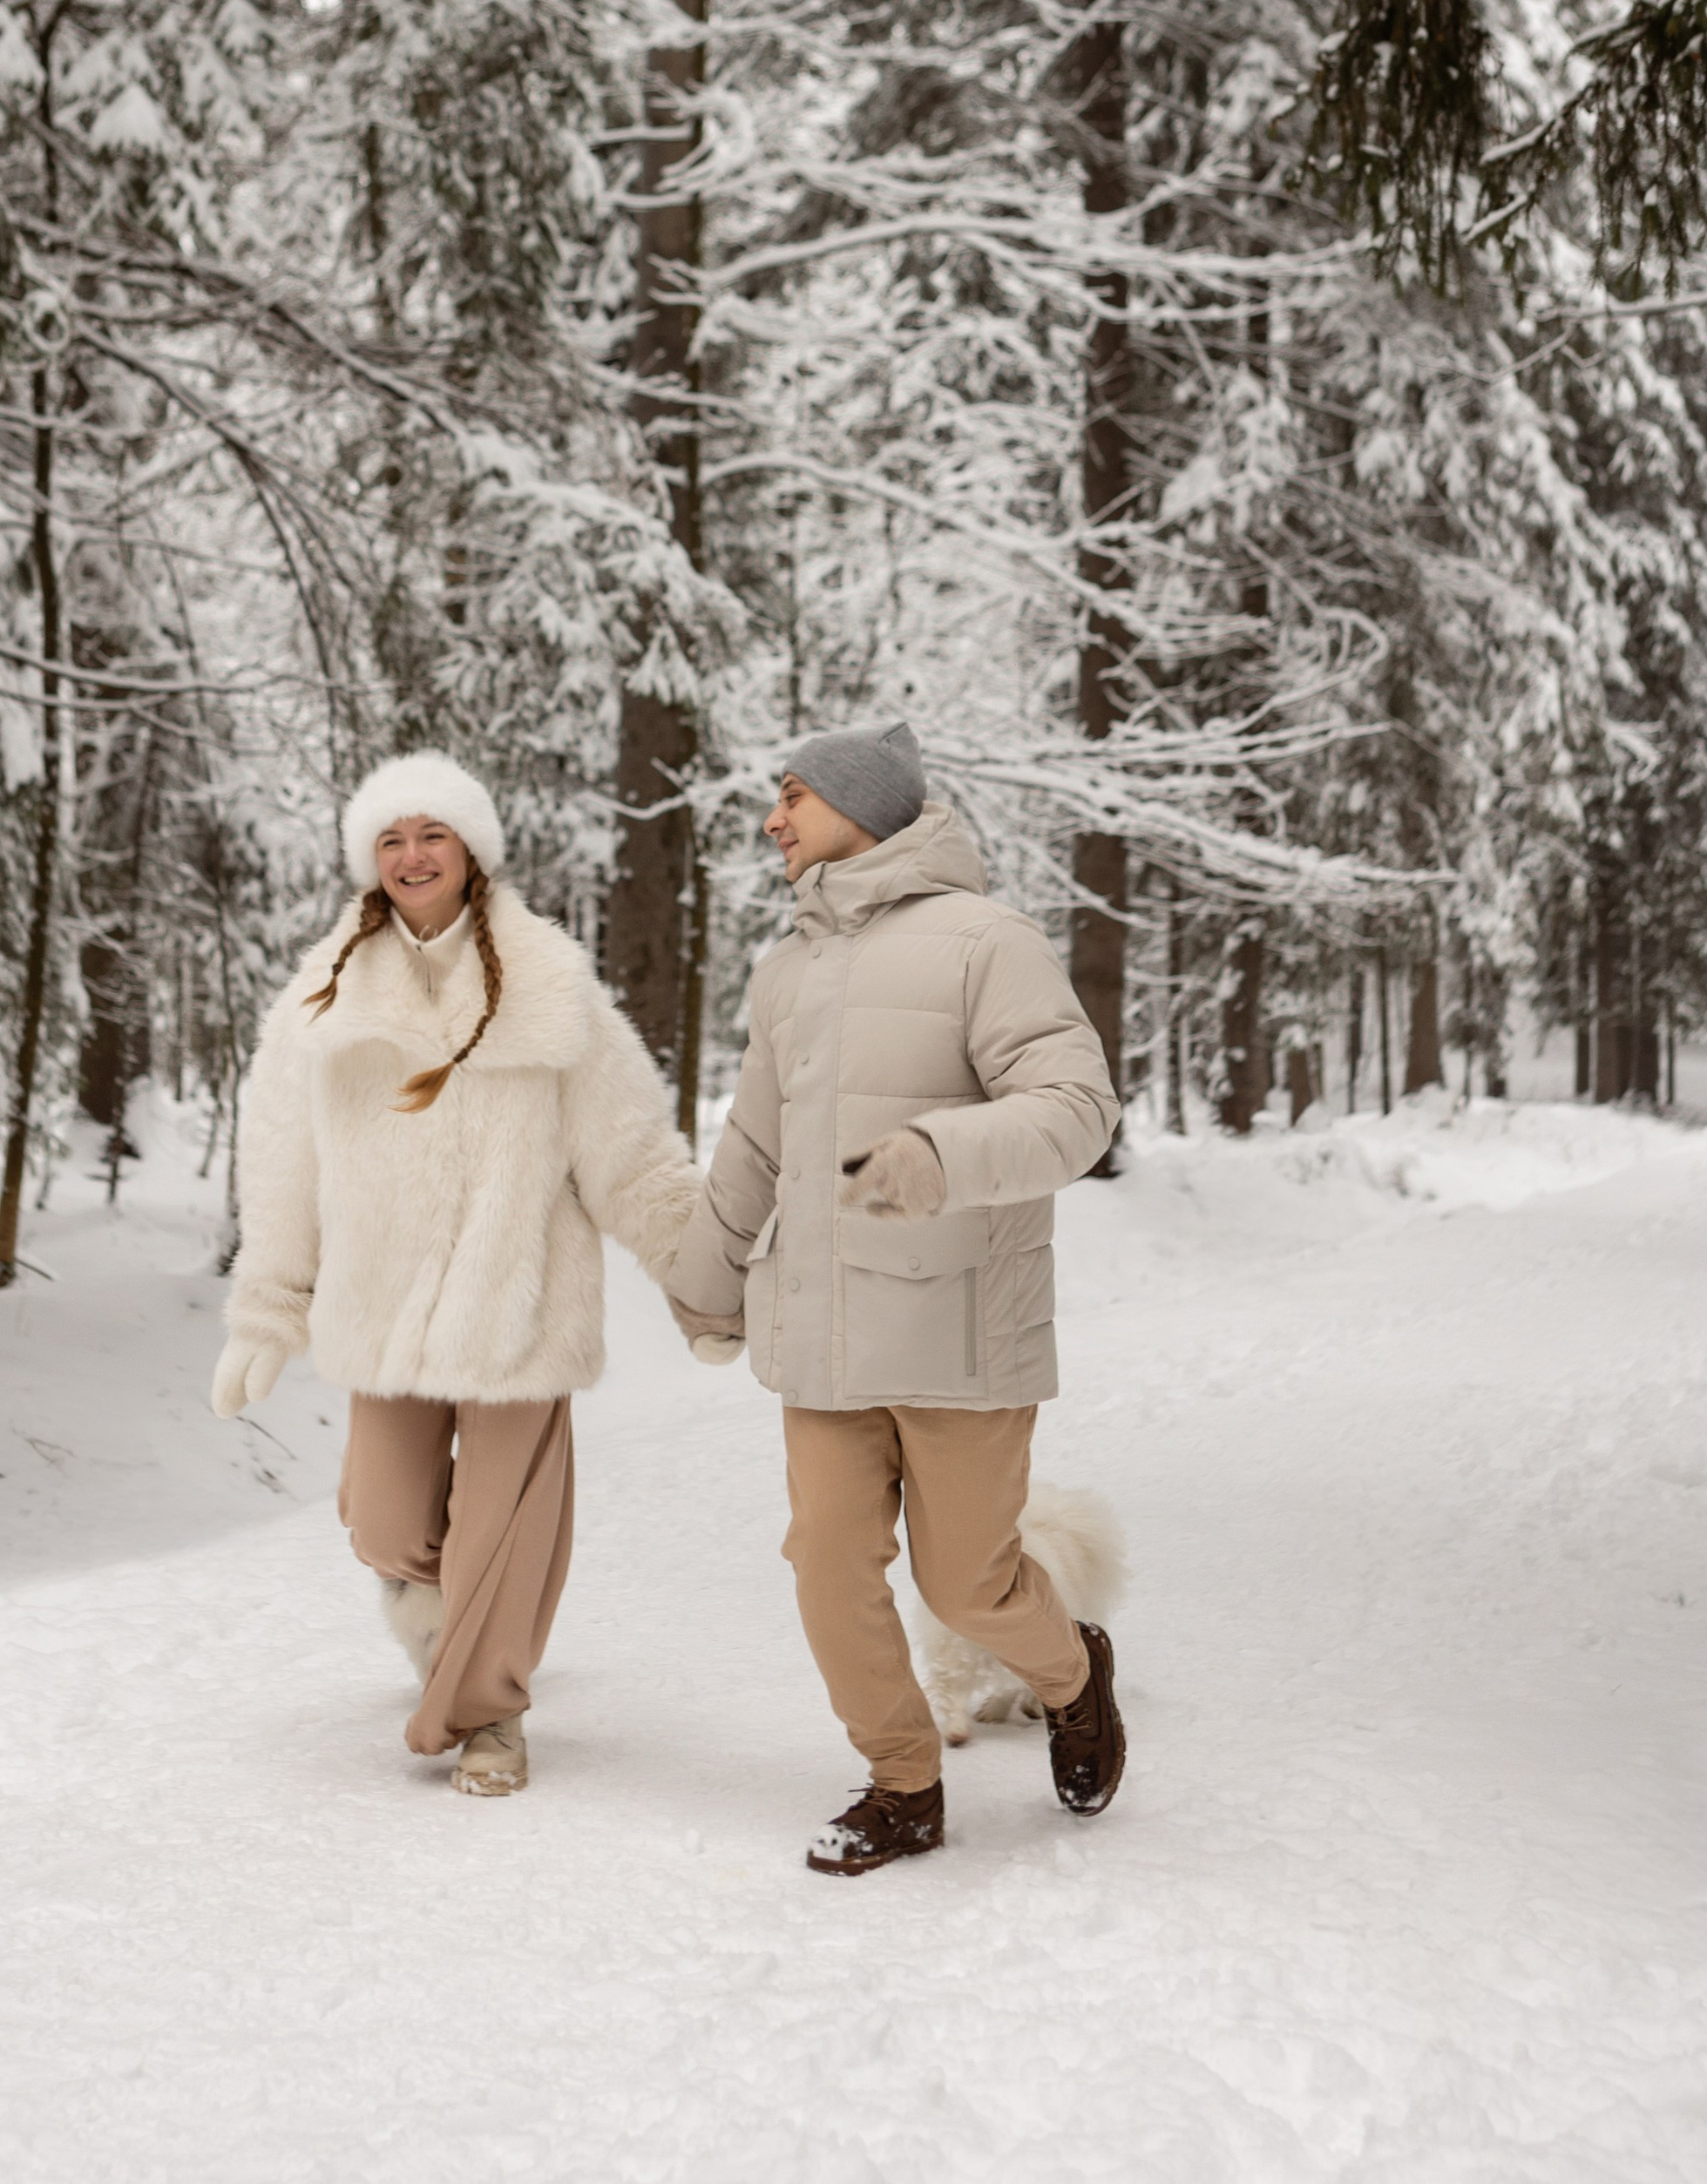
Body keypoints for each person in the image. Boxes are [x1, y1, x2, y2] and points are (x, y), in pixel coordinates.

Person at [666, 720, 1126, 1873]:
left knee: (965, 1582)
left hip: (958, 1329)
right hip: (819, 1326)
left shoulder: (988, 945)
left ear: (861, 805)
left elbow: (1078, 1110)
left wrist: (942, 1153)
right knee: (826, 1558)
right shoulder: (789, 967)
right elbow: (755, 1145)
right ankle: (902, 1782)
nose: (773, 819)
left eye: (794, 796)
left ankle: (1073, 1671)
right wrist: (708, 1271)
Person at [212, 751, 700, 1795]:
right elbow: (280, 1165)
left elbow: (631, 1152)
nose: (411, 854)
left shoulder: (552, 986)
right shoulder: (321, 1001)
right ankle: (458, 1620)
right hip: (378, 1307)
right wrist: (267, 1308)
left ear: (472, 852)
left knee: (500, 1530)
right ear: (368, 862)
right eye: (390, 839)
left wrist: (700, 1279)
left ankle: (489, 1715)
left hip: (517, 1298)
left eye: (431, 834)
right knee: (386, 1523)